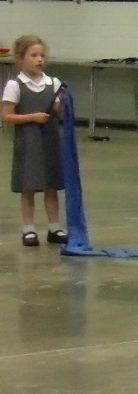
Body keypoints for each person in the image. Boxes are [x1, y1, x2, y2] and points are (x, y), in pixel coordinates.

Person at [3, 35, 65, 247]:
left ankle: (54, 227)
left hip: (49, 141)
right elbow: (7, 116)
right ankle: (28, 229)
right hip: (28, 141)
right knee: (28, 186)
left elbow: (59, 111)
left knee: (51, 186)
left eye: (42, 55)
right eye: (33, 55)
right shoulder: (15, 85)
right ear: (21, 59)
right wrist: (32, 117)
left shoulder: (53, 83)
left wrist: (62, 106)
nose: (39, 59)